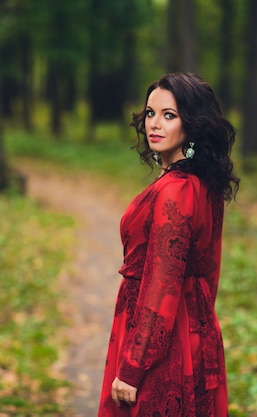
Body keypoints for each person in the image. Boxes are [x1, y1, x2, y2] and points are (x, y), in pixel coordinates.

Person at [97, 72, 239, 417]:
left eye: (169, 115)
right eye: (150, 113)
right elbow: (209, 276)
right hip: (196, 330)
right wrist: (198, 329)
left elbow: (162, 285)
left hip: (160, 341)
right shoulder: (202, 182)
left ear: (191, 124)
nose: (154, 124)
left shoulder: (174, 190)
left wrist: (132, 367)